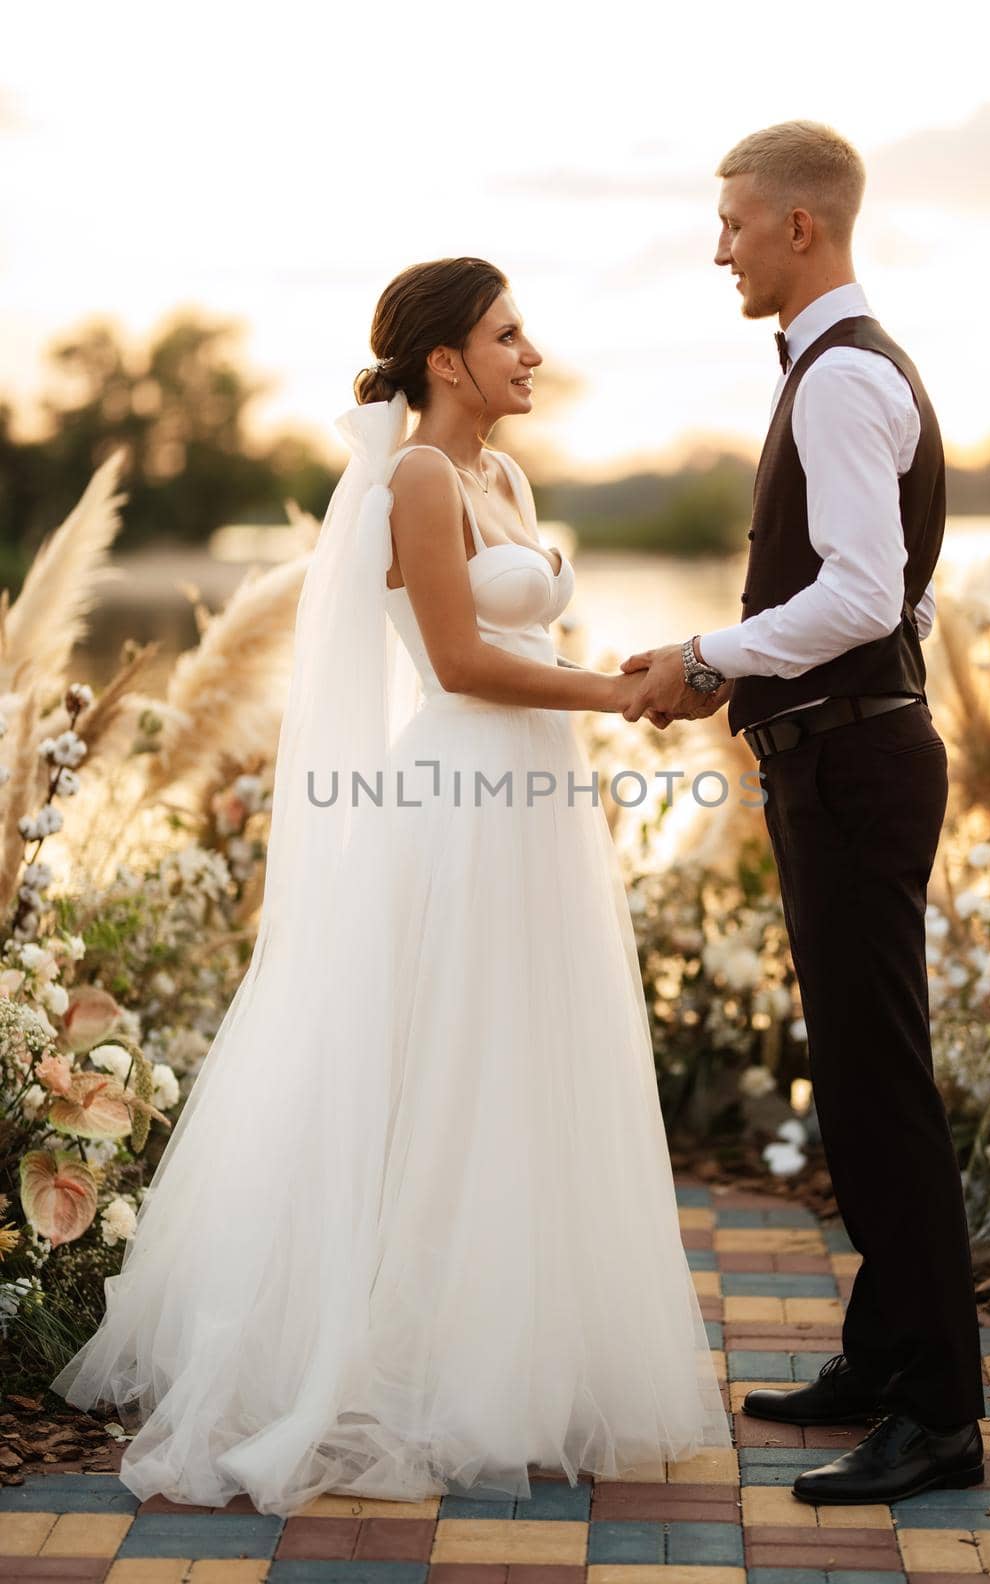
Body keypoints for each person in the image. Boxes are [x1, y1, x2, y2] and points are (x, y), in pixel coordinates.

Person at [50, 256, 731, 1516]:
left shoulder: (507, 475)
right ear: (443, 361)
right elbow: (465, 661)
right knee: (442, 1057)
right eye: (509, 334)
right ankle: (385, 1351)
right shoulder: (418, 475)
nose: (532, 354)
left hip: (538, 797)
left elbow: (527, 637)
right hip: (462, 794)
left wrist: (622, 681)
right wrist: (618, 695)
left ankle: (506, 1350)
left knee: (522, 1060)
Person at [621, 121, 986, 1504]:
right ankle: (886, 1356)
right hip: (851, 754)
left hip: (853, 765)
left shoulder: (838, 380)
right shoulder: (853, 368)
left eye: (731, 222)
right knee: (857, 1072)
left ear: (799, 227)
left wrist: (708, 657)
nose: (716, 247)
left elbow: (859, 597)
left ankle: (941, 1417)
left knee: (878, 1086)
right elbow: (908, 594)